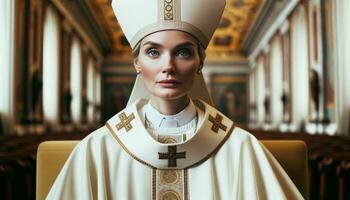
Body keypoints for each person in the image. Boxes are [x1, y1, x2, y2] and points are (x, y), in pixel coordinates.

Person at [47, 0, 304, 199]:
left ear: (200, 62)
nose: (168, 66)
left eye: (182, 52)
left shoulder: (239, 149)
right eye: (153, 52)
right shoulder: (98, 149)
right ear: (137, 62)